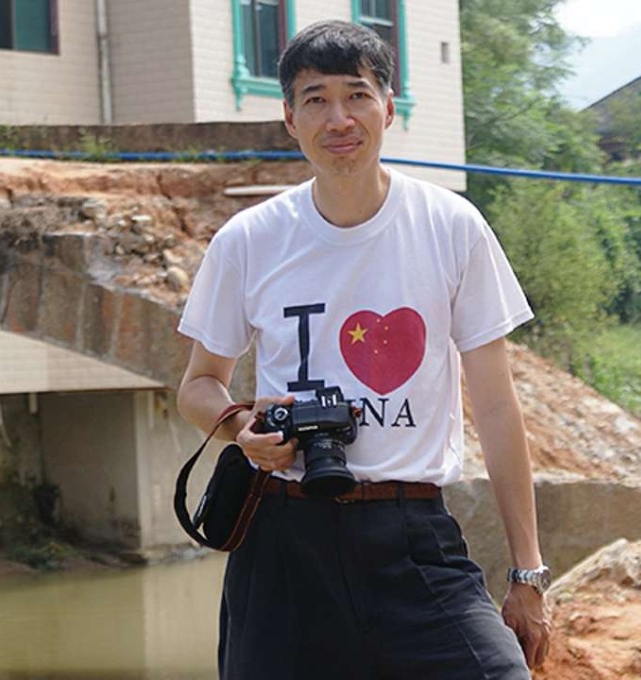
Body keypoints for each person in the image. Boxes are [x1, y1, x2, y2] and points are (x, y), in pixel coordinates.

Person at [177, 19, 551, 679]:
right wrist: (242, 429)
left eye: (357, 94)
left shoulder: (450, 226)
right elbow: (198, 383)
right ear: (289, 118)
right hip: (282, 539)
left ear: (389, 104)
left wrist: (527, 574)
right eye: (316, 99)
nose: (339, 117)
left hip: (411, 534)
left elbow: (496, 407)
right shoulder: (249, 239)